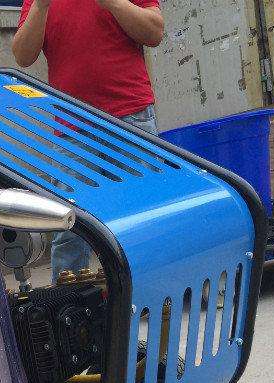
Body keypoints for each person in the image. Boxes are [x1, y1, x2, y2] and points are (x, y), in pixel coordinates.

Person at [13, 0, 164, 279]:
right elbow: (22, 55)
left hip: (130, 118)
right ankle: (71, 303)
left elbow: (154, 32)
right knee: (70, 226)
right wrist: (41, 7)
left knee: (139, 215)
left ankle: (148, 292)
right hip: (73, 128)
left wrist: (114, 3)